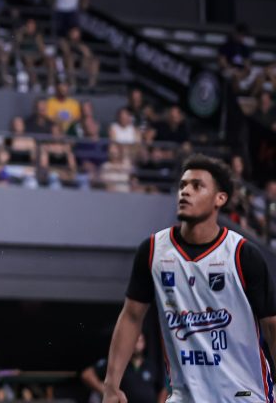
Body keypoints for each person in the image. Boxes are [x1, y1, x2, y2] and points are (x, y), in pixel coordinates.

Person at [100, 155, 276, 403]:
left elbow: (272, 326)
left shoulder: (242, 254)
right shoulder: (153, 251)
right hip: (185, 396)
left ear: (220, 199)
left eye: (197, 186)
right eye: (183, 185)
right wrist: (111, 384)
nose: (185, 192)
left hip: (244, 394)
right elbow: (131, 317)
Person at [81, 332, 162, 403]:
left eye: (140, 340)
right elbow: (87, 374)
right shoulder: (118, 363)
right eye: (135, 340)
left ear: (144, 343)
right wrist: (104, 390)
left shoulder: (151, 365)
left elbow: (163, 388)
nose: (137, 344)